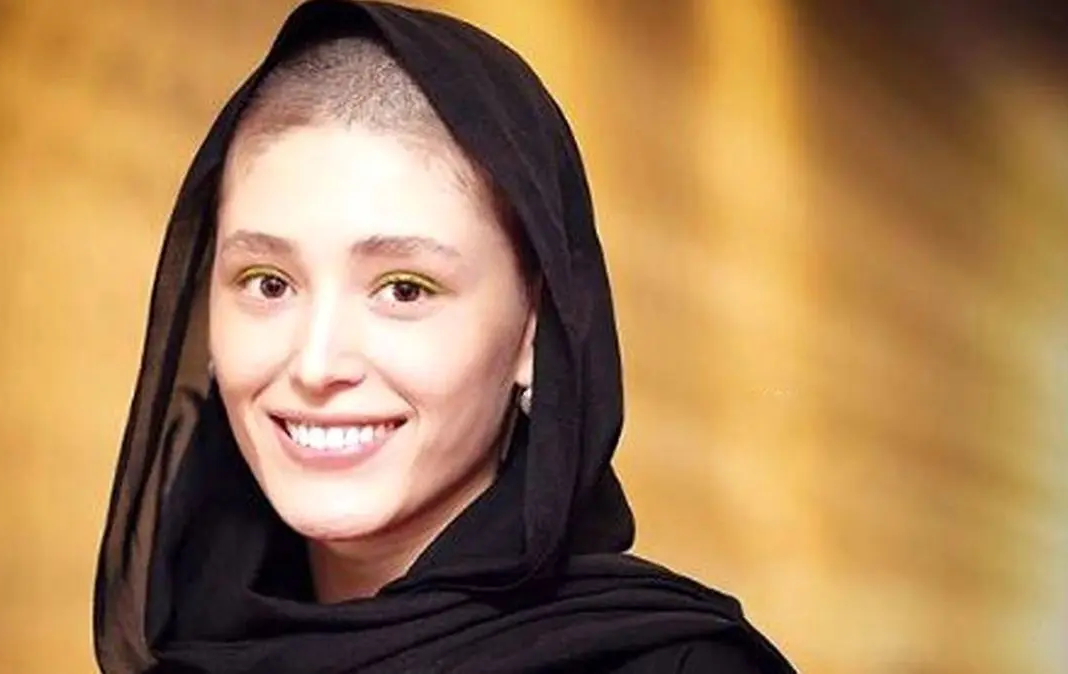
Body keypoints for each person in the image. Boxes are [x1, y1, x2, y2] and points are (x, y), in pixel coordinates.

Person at [93, 1, 797, 672]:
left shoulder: (680, 666)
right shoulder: (189, 652)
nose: (316, 363)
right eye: (269, 284)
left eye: (404, 289)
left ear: (534, 330)